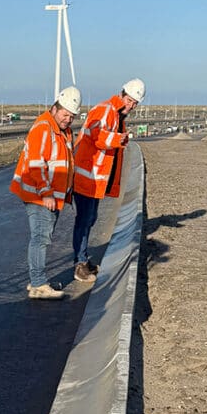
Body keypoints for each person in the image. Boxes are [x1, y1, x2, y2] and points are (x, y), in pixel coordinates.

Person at [70, 78, 145, 282]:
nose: (131, 106)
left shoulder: (115, 114)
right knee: (84, 220)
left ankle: (83, 258)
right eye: (129, 100)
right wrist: (117, 139)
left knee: (90, 219)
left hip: (95, 178)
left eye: (135, 103)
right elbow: (98, 136)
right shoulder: (107, 111)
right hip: (87, 176)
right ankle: (79, 264)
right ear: (121, 94)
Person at [10, 86, 81, 300]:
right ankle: (38, 284)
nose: (68, 119)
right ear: (54, 108)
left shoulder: (63, 130)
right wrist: (46, 192)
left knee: (43, 237)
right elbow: (36, 164)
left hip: (50, 196)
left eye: (71, 116)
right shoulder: (44, 128)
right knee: (40, 238)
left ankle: (38, 280)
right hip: (40, 195)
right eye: (65, 114)